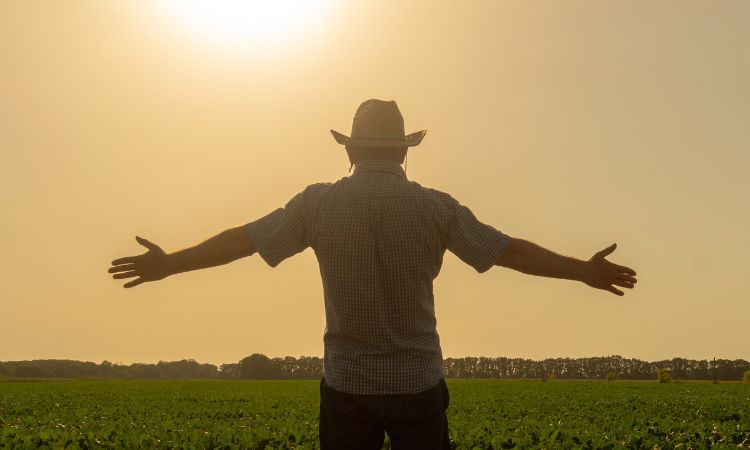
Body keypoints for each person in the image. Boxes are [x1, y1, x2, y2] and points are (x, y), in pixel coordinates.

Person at [109, 99, 637, 449]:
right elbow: (510, 252)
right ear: (405, 151)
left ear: (351, 149)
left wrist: (169, 264)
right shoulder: (437, 208)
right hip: (418, 385)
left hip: (347, 386)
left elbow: (241, 243)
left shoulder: (317, 205)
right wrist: (582, 272)